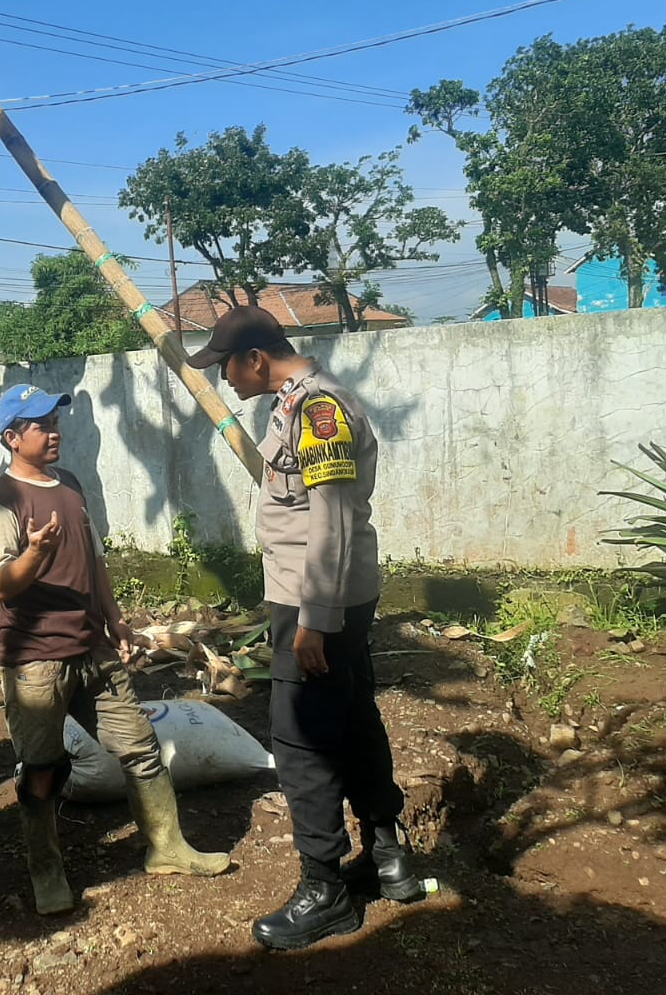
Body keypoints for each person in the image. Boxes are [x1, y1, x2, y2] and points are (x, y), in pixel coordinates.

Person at [185, 306, 421, 951]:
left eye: (226, 365)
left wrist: (313, 621)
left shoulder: (320, 413)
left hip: (317, 601)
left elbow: (335, 520)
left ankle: (326, 890)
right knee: (351, 716)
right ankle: (387, 855)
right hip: (330, 596)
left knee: (299, 740)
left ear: (255, 357)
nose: (226, 379)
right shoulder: (294, 406)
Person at [0, 383, 231, 914]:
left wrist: (117, 621)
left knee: (140, 749)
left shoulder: (69, 486)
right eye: (41, 425)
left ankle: (166, 848)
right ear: (11, 437)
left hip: (94, 651)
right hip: (36, 662)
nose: (54, 431)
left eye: (54, 421)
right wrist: (35, 555)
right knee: (43, 769)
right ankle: (47, 873)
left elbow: (94, 563)